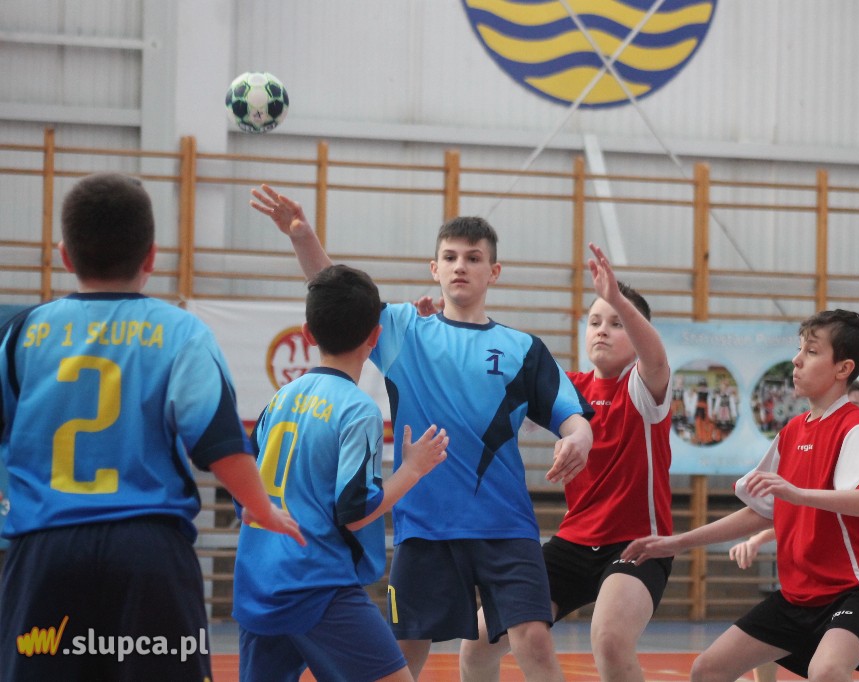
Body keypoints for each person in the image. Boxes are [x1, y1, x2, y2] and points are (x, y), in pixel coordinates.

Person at [251, 184, 594, 680]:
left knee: (534, 640)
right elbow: (335, 293)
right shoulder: (403, 331)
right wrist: (302, 236)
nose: (461, 266)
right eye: (450, 256)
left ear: (493, 272)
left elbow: (568, 410)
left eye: (474, 258)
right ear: (434, 268)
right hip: (424, 527)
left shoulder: (522, 348)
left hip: (505, 526)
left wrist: (579, 434)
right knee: (403, 652)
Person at [0, 173, 304, 681]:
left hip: (44, 555)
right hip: (148, 556)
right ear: (151, 257)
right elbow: (219, 443)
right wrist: (261, 508)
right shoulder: (181, 334)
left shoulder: (23, 333)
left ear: (65, 255)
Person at [623, 309, 859, 682]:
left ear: (843, 368)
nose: (796, 360)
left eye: (812, 352)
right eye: (799, 349)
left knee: (828, 669)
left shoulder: (856, 429)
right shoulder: (792, 433)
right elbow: (761, 512)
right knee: (708, 670)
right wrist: (676, 542)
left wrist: (799, 494)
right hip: (800, 593)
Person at [458, 243, 673, 682]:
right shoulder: (566, 389)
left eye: (616, 323)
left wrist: (618, 299)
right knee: (479, 640)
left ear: (637, 331)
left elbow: (656, 356)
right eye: (595, 321)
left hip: (636, 545)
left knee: (610, 640)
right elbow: (490, 377)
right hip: (574, 542)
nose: (602, 330)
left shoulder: (644, 387)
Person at [233, 264, 450, 682]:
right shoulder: (357, 410)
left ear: (307, 333)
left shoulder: (280, 400)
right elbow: (355, 510)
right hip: (317, 584)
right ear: (375, 337)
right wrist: (413, 469)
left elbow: (243, 480)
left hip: (259, 579)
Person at [730, 379, 859, 682]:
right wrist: (759, 537)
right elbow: (798, 511)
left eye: (858, 405)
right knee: (774, 626)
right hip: (817, 563)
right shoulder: (813, 448)